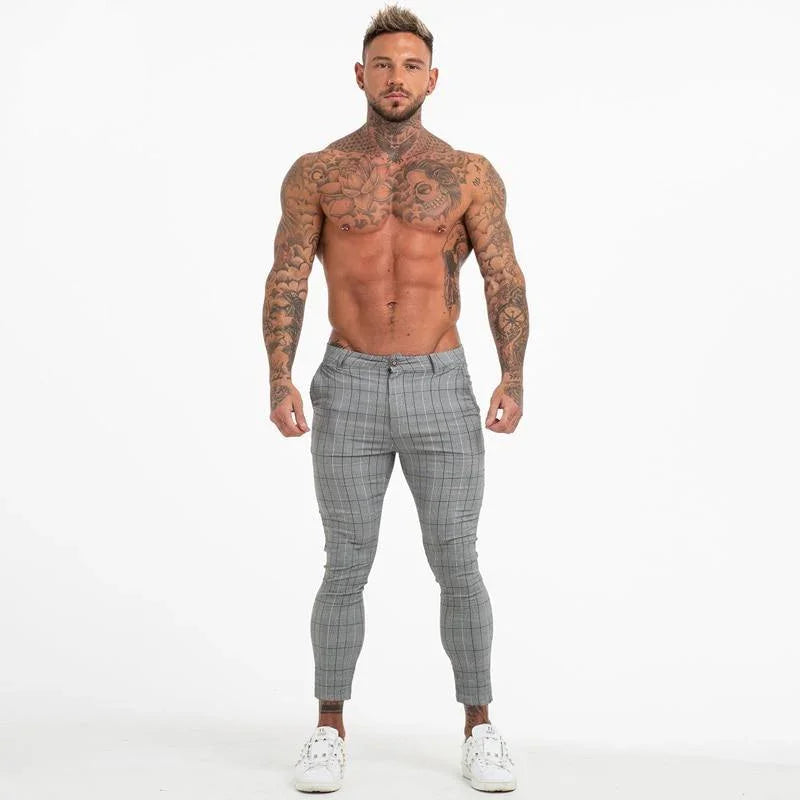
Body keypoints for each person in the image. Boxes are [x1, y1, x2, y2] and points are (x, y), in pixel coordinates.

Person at [263, 4, 528, 793]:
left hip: (440, 384)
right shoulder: (317, 171)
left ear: (432, 79)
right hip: (347, 385)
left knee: (458, 560)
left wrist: (512, 376)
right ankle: (328, 728)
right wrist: (279, 376)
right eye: (383, 64)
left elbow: (503, 276)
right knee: (345, 562)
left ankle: (480, 727)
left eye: (411, 65)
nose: (396, 77)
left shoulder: (469, 173)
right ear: (360, 74)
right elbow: (287, 275)